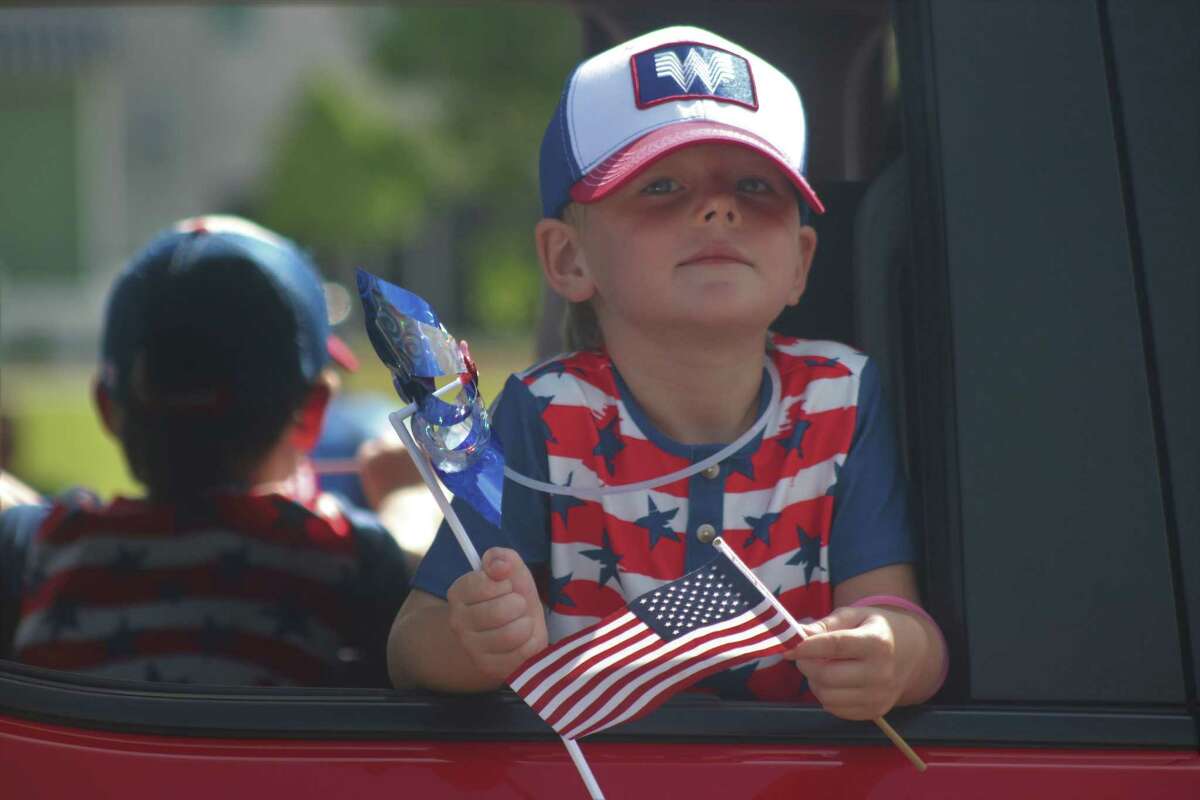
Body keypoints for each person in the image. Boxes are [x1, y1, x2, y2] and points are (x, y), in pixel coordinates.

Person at [387, 25, 948, 721]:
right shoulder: (543, 414)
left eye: (753, 184)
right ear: (568, 259)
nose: (719, 207)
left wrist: (892, 654)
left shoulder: (843, 396)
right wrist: (473, 642)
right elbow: (412, 644)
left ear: (801, 260)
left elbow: (897, 614)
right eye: (660, 186)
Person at [0, 215, 409, 687]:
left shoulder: (42, 550)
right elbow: (434, 583)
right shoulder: (349, 557)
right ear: (313, 413)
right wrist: (408, 493)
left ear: (108, 409)